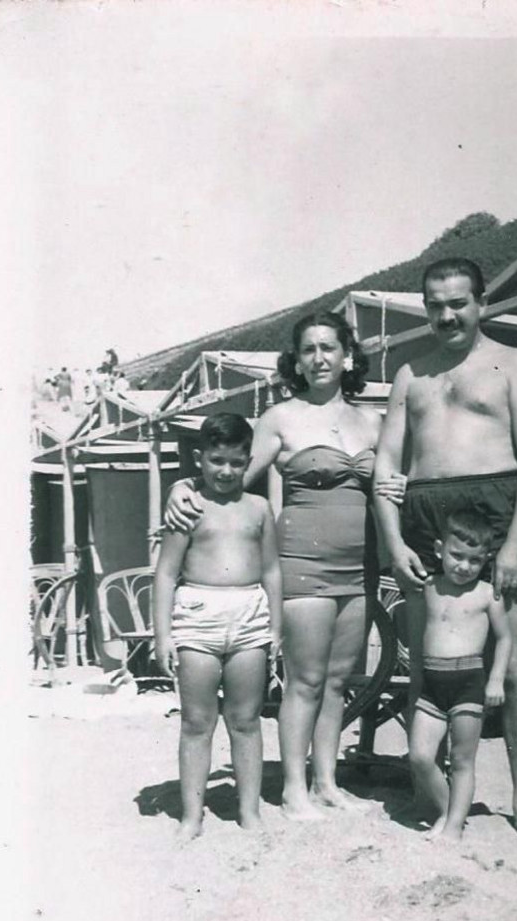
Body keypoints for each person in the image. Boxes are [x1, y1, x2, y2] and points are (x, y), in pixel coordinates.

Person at [165, 311, 405, 821]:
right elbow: (226, 478)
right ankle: (294, 787)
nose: (319, 358)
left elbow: (389, 485)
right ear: (295, 361)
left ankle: (326, 782)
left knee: (340, 680)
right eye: (309, 350)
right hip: (302, 563)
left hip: (357, 566)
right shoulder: (280, 418)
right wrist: (179, 487)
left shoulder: (373, 421)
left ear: (348, 356)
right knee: (305, 679)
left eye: (329, 348)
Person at [374, 256, 517, 837]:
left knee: (515, 663)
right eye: (435, 305)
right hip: (424, 514)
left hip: (497, 510)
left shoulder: (513, 364)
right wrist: (393, 538)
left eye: (458, 303)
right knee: (430, 659)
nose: (447, 315)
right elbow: (385, 466)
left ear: (481, 303)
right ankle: (437, 793)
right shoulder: (410, 374)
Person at [153, 412, 282, 840]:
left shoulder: (260, 508)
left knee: (246, 719)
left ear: (248, 461)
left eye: (235, 462)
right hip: (197, 617)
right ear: (199, 459)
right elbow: (166, 575)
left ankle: (250, 811)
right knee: (196, 720)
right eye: (216, 461)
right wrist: (163, 635)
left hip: (249, 615)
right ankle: (192, 815)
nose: (225, 471)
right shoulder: (187, 507)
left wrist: (275, 629)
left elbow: (272, 571)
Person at [410, 508, 511, 841]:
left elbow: (505, 638)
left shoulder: (486, 593)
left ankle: (453, 827)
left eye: (474, 560)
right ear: (439, 549)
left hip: (469, 682)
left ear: (486, 560)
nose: (464, 566)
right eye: (457, 555)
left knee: (462, 759)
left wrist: (496, 679)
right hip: (431, 685)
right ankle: (447, 811)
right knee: (421, 757)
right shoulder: (428, 586)